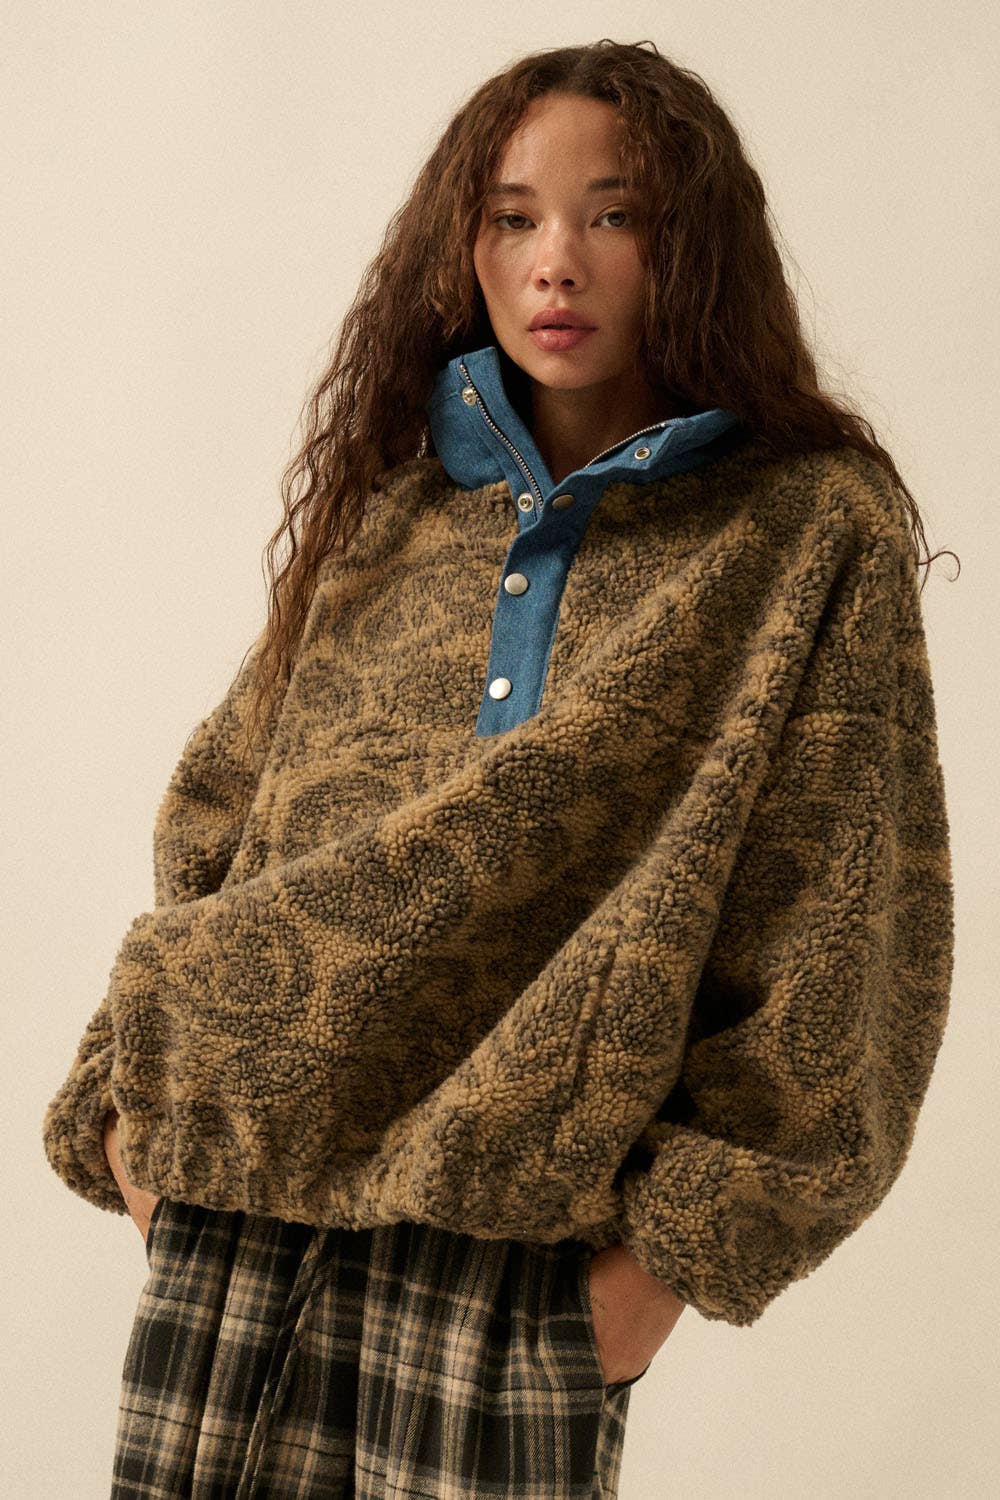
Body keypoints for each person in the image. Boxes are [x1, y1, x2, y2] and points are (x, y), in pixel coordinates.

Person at [42, 39, 956, 1500]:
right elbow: (223, 816)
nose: (556, 263)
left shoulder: (801, 531)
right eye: (513, 217)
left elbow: (847, 932)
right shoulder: (392, 508)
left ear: (694, 246)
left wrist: (657, 1276)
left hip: (510, 1267)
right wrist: (127, 1121)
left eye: (617, 214)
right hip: (234, 1218)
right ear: (460, 246)